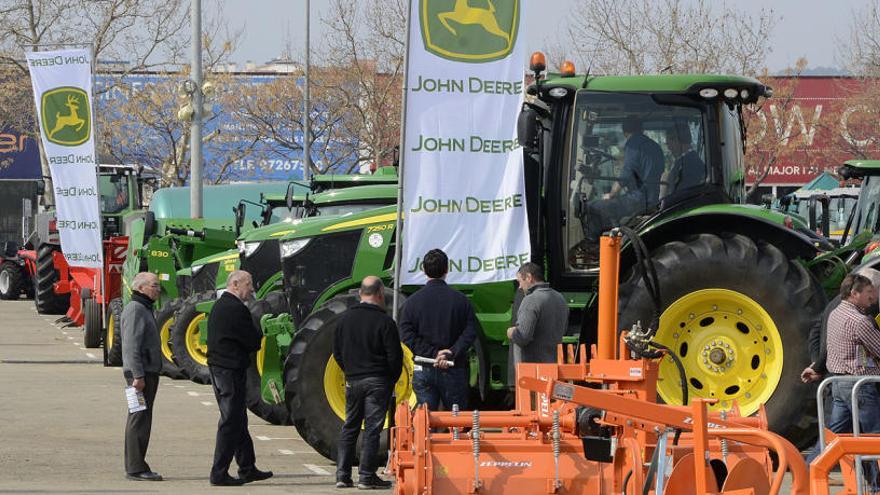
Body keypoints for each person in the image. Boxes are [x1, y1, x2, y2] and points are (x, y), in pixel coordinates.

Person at [333, 276, 402, 490]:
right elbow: (395, 357)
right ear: (380, 293)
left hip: (353, 380)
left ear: (360, 293)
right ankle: (366, 475)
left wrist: (350, 371)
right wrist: (390, 379)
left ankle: (342, 475)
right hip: (378, 380)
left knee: (350, 426)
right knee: (373, 428)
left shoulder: (344, 319)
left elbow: (337, 352)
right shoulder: (385, 322)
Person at [206, 270, 273, 486]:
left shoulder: (221, 306)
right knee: (231, 421)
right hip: (229, 371)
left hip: (221, 369)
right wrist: (260, 333)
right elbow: (253, 341)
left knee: (239, 420)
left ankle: (247, 467)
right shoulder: (235, 309)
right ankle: (219, 473)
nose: (252, 289)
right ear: (235, 284)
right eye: (249, 284)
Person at [399, 248, 477, 411]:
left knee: (426, 422)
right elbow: (470, 331)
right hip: (453, 368)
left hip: (424, 366)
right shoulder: (461, 300)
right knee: (456, 422)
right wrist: (451, 352)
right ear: (447, 270)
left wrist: (432, 353)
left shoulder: (411, 303)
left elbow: (406, 334)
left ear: (423, 270)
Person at [825, 273, 880, 491]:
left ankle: (810, 468)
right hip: (859, 387)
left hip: (838, 383)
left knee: (834, 434)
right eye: (868, 292)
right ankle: (876, 486)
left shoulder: (835, 314)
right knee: (874, 435)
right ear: (854, 293)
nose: (872, 296)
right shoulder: (860, 321)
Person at [582, 117, 664, 244]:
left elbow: (626, 175)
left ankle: (594, 246)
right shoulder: (656, 147)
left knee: (592, 207)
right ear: (642, 129)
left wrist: (611, 194)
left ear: (625, 132)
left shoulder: (633, 144)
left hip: (638, 200)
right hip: (652, 198)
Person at [801, 267, 880, 384]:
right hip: (855, 383)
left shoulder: (834, 306)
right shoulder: (864, 311)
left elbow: (815, 332)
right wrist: (818, 367)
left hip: (833, 379)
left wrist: (816, 364)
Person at [121, 272, 163, 481]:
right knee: (139, 419)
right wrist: (137, 376)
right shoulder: (136, 310)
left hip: (147, 372)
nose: (158, 289)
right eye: (154, 285)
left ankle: (137, 464)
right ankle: (136, 468)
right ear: (141, 288)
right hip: (140, 375)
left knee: (142, 419)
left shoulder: (144, 308)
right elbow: (130, 346)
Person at [506, 263, 569, 379]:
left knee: (536, 398)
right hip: (554, 369)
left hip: (534, 372)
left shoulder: (530, 300)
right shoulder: (560, 298)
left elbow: (522, 337)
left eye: (520, 281)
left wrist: (511, 332)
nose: (519, 287)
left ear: (529, 277)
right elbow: (563, 329)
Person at [662, 126, 705, 202]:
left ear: (677, 140)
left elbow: (682, 194)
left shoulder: (691, 164)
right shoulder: (687, 161)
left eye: (669, 144)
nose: (669, 148)